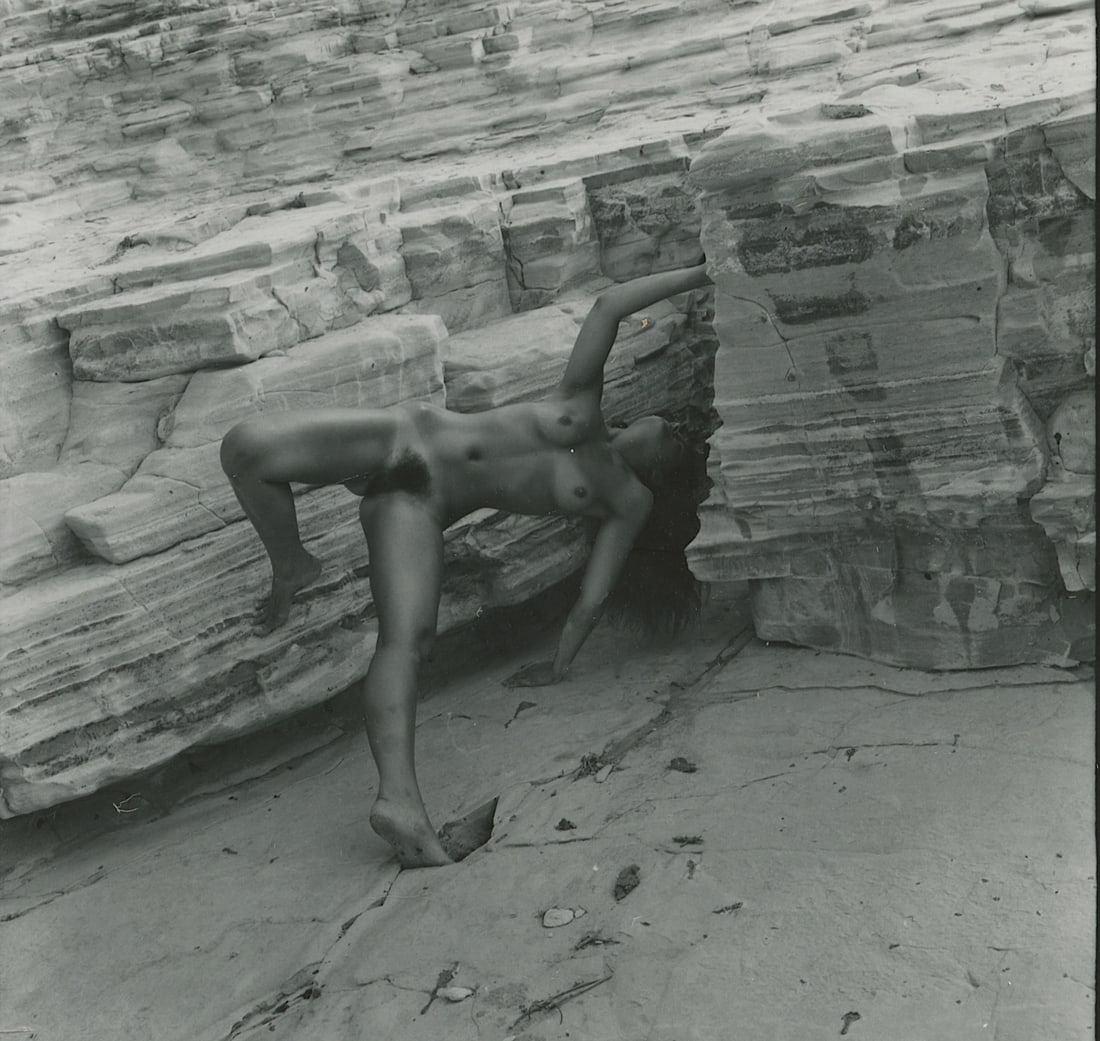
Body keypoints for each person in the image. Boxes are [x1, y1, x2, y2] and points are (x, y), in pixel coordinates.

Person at [220, 261, 713, 867]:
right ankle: (292, 564)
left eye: (678, 439)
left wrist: (558, 669)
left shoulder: (627, 501)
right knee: (244, 448)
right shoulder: (583, 409)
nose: (671, 426)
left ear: (666, 470)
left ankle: (399, 801)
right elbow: (609, 305)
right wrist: (699, 272)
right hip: (405, 439)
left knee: (405, 645)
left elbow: (593, 596)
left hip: (416, 503)